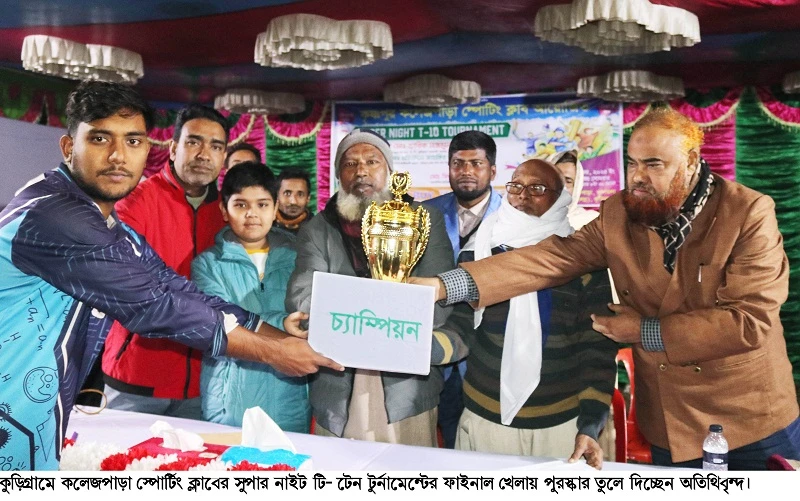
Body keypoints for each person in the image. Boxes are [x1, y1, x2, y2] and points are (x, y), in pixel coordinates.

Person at [416, 107, 800, 470]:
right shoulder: (620, 212)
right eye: (632, 163)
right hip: (669, 418)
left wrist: (643, 331)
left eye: (653, 164)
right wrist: (445, 285)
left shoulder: (747, 213)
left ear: (691, 162)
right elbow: (555, 257)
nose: (637, 177)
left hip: (747, 417)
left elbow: (748, 322)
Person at [0, 81, 340, 470]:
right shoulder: (56, 216)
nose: (117, 155)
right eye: (99, 138)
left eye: (132, 141)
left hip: (33, 409)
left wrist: (278, 337)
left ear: (148, 149)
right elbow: (156, 306)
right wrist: (275, 353)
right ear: (68, 147)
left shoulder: (103, 220)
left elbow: (173, 287)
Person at [286, 128, 467, 446]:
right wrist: (383, 320)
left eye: (372, 161)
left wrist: (354, 320)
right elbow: (304, 298)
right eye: (350, 163)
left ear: (390, 171)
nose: (361, 171)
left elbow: (438, 304)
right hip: (338, 384)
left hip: (406, 388)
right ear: (338, 175)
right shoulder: (317, 229)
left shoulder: (424, 220)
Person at [449, 159, 616, 469]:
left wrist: (591, 423)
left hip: (562, 427)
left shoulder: (583, 261)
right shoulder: (478, 251)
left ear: (561, 198)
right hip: (486, 420)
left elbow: (596, 350)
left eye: (537, 188)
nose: (522, 196)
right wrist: (428, 346)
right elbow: (462, 326)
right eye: (515, 186)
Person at [101, 104, 233, 419]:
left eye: (216, 146)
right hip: (137, 378)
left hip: (204, 383)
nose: (204, 154)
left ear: (224, 157)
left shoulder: (228, 214)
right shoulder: (135, 201)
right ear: (173, 149)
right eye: (194, 142)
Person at [192, 162, 310, 432]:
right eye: (241, 205)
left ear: (276, 208)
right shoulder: (207, 264)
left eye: (262, 204)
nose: (252, 214)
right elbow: (220, 324)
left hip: (289, 400)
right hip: (229, 403)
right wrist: (282, 323)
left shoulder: (299, 258)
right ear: (224, 210)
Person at [422, 131, 502, 449]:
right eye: (458, 163)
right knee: (431, 449)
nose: (466, 171)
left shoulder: (513, 218)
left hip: (487, 356)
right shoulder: (423, 213)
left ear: (492, 170)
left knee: (481, 450)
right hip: (433, 353)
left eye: (476, 163)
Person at [274, 169, 313, 234]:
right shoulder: (264, 227)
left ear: (308, 198)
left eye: (300, 194)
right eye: (287, 193)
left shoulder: (318, 229)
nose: (293, 201)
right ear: (277, 196)